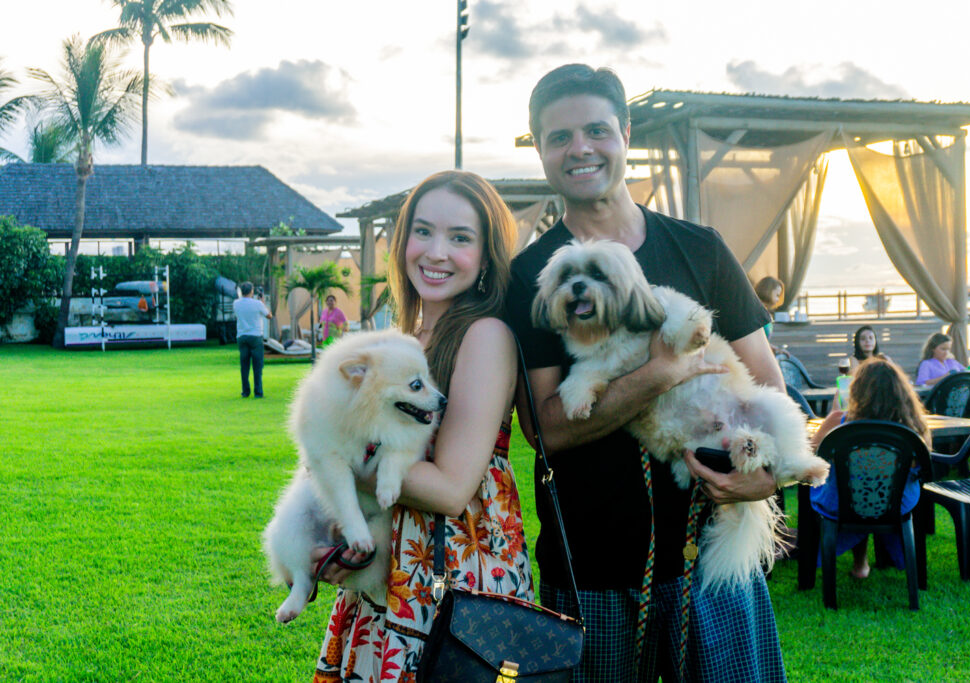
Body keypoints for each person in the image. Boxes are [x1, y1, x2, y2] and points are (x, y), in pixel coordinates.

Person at [506, 64, 785, 682]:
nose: (580, 149)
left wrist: (765, 479)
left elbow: (768, 384)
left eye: (596, 130)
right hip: (591, 571)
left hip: (709, 559)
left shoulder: (701, 249)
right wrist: (661, 374)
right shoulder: (533, 278)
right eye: (559, 138)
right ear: (542, 151)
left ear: (626, 133)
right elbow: (547, 429)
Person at [310, 171, 533, 681]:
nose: (435, 252)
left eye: (460, 238)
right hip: (393, 567)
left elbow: (453, 488)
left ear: (486, 255)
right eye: (423, 231)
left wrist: (334, 456)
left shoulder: (485, 335)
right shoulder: (403, 342)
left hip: (456, 577)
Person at [809, 357, 931, 578]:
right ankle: (871, 561)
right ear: (901, 392)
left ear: (856, 390)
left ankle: (859, 564)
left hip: (843, 503)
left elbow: (811, 454)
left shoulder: (839, 421)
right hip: (896, 503)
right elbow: (923, 465)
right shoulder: (915, 428)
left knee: (851, 485)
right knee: (868, 486)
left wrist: (835, 413)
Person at [233, 282, 271, 398]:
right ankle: (258, 392)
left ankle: (245, 391)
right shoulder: (258, 303)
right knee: (257, 366)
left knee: (244, 366)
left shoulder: (236, 303)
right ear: (251, 291)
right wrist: (263, 303)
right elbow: (269, 315)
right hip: (255, 336)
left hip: (242, 336)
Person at [755, 275, 788, 357]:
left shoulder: (761, 310)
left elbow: (761, 342)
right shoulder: (756, 311)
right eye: (777, 295)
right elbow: (756, 341)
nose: (778, 299)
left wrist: (774, 348)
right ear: (769, 291)